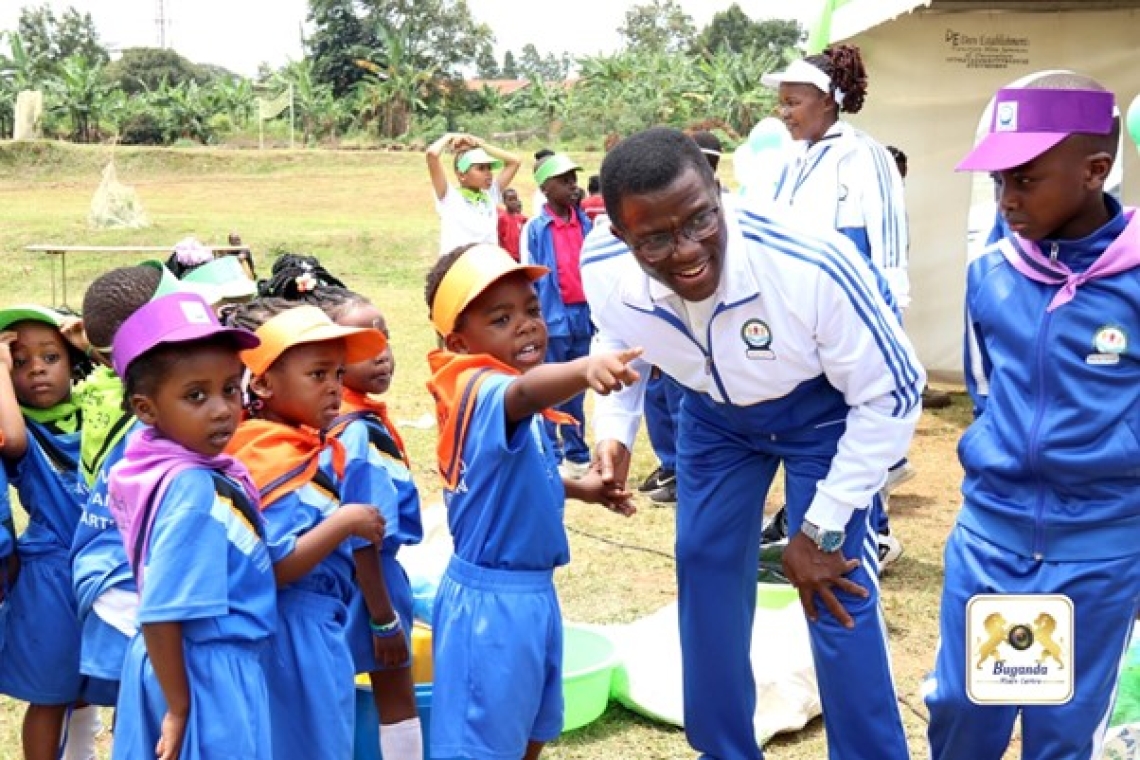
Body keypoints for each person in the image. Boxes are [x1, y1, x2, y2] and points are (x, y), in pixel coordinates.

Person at [582, 127, 923, 759]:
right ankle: (724, 749)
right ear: (620, 236)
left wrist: (817, 530)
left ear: (720, 191)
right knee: (704, 565)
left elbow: (894, 393)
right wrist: (613, 429)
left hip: (824, 414)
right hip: (714, 418)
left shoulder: (807, 262)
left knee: (833, 590)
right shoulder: (603, 267)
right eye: (654, 238)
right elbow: (616, 339)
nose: (686, 251)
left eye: (700, 219)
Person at [925, 74, 1140, 759]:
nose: (1007, 200)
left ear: (1094, 171)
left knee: (1060, 731)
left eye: (1024, 180)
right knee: (965, 710)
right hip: (994, 539)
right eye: (998, 183)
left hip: (1098, 552)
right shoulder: (991, 274)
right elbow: (986, 392)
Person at [424, 243, 638, 760]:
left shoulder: (509, 396)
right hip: (490, 606)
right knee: (481, 745)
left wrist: (580, 488)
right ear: (459, 341)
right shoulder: (480, 388)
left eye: (531, 310)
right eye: (501, 318)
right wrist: (586, 366)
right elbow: (526, 395)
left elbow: (511, 479)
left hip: (531, 596)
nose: (526, 326)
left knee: (531, 726)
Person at [265, 269, 426, 760]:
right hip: (357, 589)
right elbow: (365, 537)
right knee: (391, 688)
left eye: (384, 338)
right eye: (325, 370)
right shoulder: (357, 435)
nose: (380, 355)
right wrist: (382, 617)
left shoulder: (316, 429)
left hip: (333, 590)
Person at [105, 292, 273, 760]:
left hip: (181, 664)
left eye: (230, 389)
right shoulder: (195, 489)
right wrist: (179, 707)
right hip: (203, 673)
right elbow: (161, 612)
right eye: (195, 395)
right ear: (146, 408)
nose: (221, 409)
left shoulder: (152, 464)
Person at [761, 43, 911, 566]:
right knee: (821, 439)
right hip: (799, 332)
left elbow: (890, 255)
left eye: (793, 101)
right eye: (781, 101)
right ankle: (805, 529)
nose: (784, 112)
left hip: (852, 329)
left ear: (827, 100)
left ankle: (875, 536)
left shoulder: (864, 156)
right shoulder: (792, 159)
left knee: (857, 434)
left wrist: (889, 329)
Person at [225, 300, 388, 760]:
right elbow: (273, 568)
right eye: (318, 375)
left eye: (338, 374)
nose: (334, 388)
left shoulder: (299, 443)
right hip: (292, 629)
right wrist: (346, 522)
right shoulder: (269, 454)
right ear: (262, 382)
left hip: (311, 622)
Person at [71, 263, 184, 715]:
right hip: (138, 598)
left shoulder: (116, 398)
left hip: (104, 580)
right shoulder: (170, 429)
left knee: (138, 722)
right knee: (161, 723)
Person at [0, 304, 93, 760]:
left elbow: (134, 390)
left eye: (51, 357)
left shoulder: (95, 407)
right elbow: (14, 441)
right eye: (20, 362)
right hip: (50, 572)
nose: (36, 368)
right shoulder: (14, 428)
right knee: (50, 690)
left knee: (88, 684)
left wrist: (88, 344)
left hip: (105, 564)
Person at [519, 153, 595, 479]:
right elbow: (529, 276)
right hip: (553, 318)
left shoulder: (587, 224)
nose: (573, 187)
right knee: (550, 386)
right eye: (564, 182)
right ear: (545, 188)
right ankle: (550, 452)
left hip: (584, 316)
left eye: (574, 180)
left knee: (578, 385)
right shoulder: (535, 230)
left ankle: (577, 453)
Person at [426, 132, 521, 257]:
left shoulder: (489, 195)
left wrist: (481, 145)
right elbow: (432, 155)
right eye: (481, 168)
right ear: (461, 175)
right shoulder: (449, 196)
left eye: (489, 168)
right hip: (458, 266)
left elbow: (515, 161)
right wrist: (448, 137)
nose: (488, 173)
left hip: (487, 265)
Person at [497, 187, 528, 261]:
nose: (513, 202)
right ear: (504, 202)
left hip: (520, 255)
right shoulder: (502, 218)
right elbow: (499, 237)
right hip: (508, 257)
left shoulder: (521, 218)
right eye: (510, 200)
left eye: (515, 199)